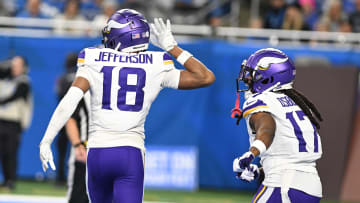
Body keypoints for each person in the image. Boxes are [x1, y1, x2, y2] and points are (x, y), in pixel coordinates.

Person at [39, 8, 215, 203]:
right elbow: (205, 77)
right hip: (129, 153)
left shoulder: (93, 58)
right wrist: (172, 47)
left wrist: (47, 139)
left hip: (97, 152)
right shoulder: (156, 64)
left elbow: (69, 101)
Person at [231, 48, 323, 202]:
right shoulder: (295, 102)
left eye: (252, 73)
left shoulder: (261, 100)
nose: (247, 78)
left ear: (268, 77)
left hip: (284, 184)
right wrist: (260, 171)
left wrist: (251, 153)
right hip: (310, 187)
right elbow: (290, 155)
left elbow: (267, 128)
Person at [0, 56, 33, 190]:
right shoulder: (5, 80)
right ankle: (5, 179)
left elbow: (15, 96)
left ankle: (11, 180)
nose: (14, 67)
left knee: (11, 152)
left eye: (18, 65)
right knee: (2, 152)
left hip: (14, 123)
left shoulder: (24, 82)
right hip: (1, 120)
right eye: (13, 65)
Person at [54, 53, 78, 186]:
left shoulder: (62, 78)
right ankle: (73, 177)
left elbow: (59, 95)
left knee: (62, 149)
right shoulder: (80, 77)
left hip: (63, 117)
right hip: (77, 118)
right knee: (76, 148)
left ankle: (60, 178)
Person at [65, 92, 90, 203]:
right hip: (86, 147)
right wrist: (77, 144)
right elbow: (70, 118)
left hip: (91, 147)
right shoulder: (84, 91)